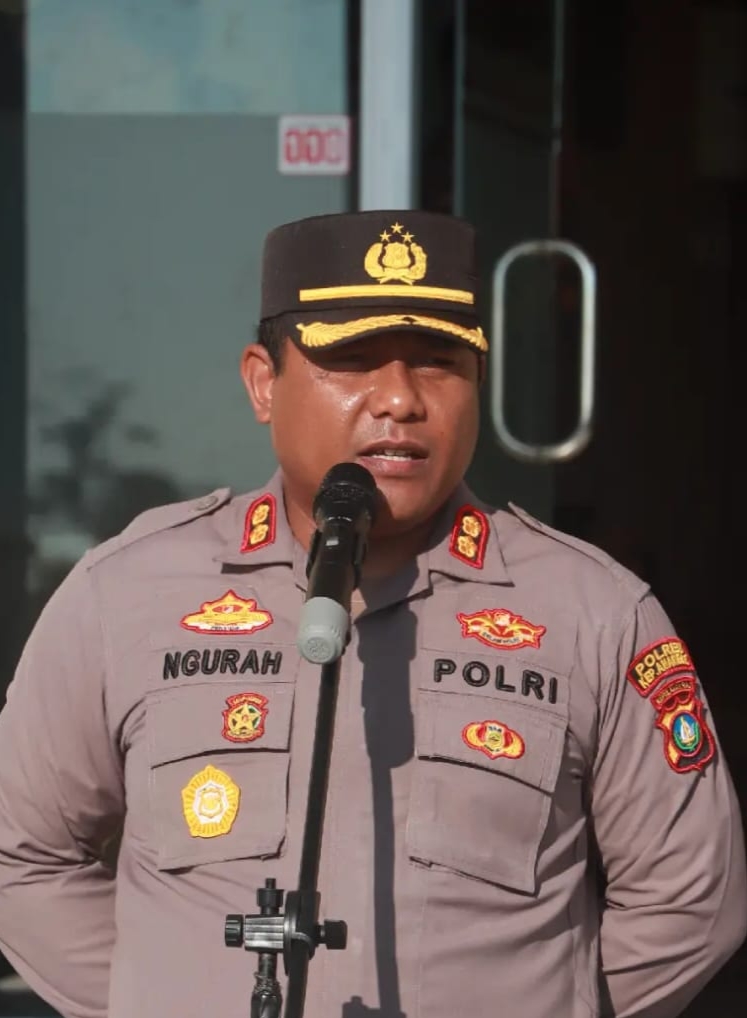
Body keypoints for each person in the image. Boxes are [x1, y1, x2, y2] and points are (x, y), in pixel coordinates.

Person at [0, 209, 745, 1018]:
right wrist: (158, 998)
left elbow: (690, 900)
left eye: (439, 363)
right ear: (263, 382)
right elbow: (20, 855)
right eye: (352, 361)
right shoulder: (129, 592)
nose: (400, 399)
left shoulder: (592, 611)